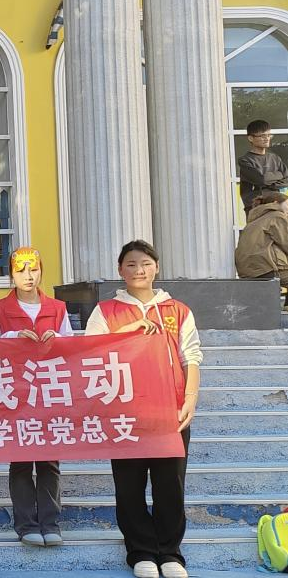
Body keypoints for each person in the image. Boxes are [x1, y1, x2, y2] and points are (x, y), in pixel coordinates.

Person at [84, 240, 201, 578]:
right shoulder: (106, 311)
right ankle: (141, 552)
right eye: (131, 264)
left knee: (170, 484)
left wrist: (190, 398)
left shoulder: (178, 310)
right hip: (125, 413)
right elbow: (90, 352)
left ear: (156, 268)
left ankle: (170, 553)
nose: (139, 270)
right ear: (120, 271)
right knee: (129, 485)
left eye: (146, 263)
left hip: (170, 412)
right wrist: (128, 329)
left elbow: (191, 356)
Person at [0, 247, 73, 548]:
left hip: (48, 391)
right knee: (20, 460)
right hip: (13, 392)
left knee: (49, 461)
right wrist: (13, 338)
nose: (28, 276)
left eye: (34, 269)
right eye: (21, 270)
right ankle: (26, 524)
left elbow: (72, 348)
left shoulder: (57, 308)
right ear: (11, 274)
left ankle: (50, 522)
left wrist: (57, 339)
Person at [238, 120, 288, 214]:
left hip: (275, 204)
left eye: (269, 135)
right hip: (255, 206)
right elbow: (261, 179)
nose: (267, 138)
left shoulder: (275, 158)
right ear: (250, 138)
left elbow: (286, 178)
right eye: (262, 136)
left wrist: (269, 184)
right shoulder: (245, 160)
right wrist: (279, 175)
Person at [235, 192, 288, 280]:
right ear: (275, 203)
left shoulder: (254, 220)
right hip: (268, 269)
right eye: (287, 204)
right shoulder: (277, 216)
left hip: (248, 272)